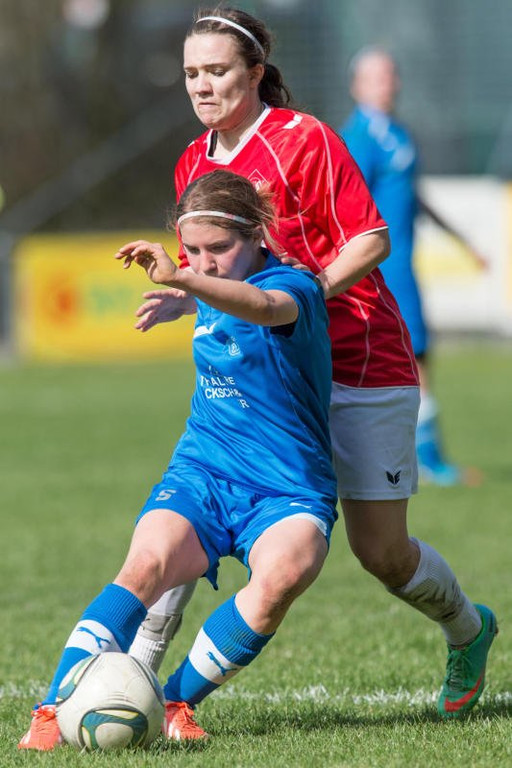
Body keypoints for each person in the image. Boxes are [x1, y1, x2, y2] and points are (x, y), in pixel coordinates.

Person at [126, 8, 498, 725]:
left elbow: (372, 239)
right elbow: (218, 268)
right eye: (192, 73)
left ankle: (466, 628)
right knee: (197, 508)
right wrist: (189, 297)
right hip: (268, 380)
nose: (201, 85)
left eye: (217, 71)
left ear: (255, 73)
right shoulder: (193, 162)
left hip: (360, 360)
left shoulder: (307, 140)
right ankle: (140, 673)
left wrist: (301, 300)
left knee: (382, 554)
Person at [18, 169, 338, 750]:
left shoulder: (294, 288)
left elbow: (262, 307)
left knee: (285, 575)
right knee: (145, 565)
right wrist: (186, 300)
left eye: (220, 248)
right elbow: (220, 295)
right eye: (192, 249)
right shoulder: (209, 285)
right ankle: (53, 709)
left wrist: (187, 281)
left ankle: (175, 701)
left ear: (258, 236)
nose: (205, 263)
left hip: (287, 487)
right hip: (204, 472)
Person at [341, 47, 487, 486]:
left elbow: (411, 196)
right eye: (379, 77)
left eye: (392, 75)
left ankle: (416, 456)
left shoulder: (397, 133)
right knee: (412, 361)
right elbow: (346, 204)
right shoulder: (360, 138)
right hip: (382, 271)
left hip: (405, 266)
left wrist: (462, 241)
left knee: (418, 358)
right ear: (357, 86)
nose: (390, 84)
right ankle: (428, 458)